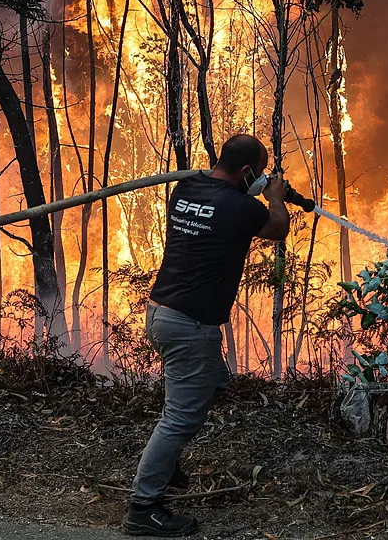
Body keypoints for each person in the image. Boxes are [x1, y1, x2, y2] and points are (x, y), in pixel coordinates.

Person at [122, 134, 290, 537]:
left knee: (213, 382)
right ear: (248, 172)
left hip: (161, 312)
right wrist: (277, 195)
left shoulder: (186, 189)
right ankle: (144, 508)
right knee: (179, 418)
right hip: (190, 327)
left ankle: (166, 460)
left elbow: (215, 191)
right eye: (258, 173)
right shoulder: (240, 207)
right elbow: (278, 228)